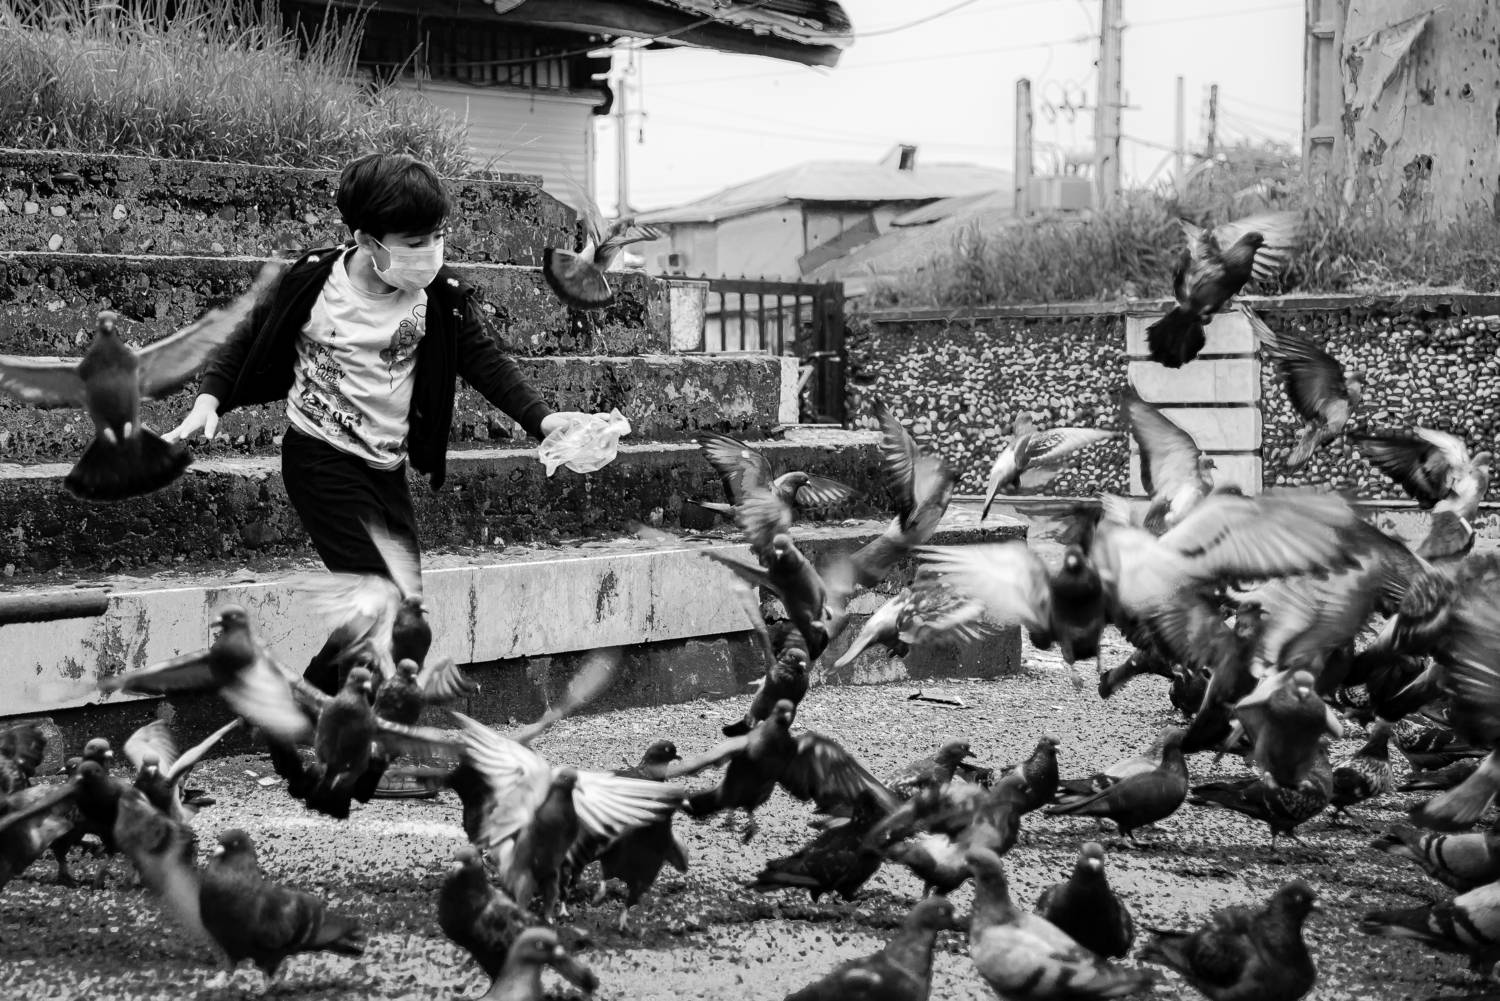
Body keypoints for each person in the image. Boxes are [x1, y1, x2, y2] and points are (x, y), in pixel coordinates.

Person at [164, 152, 589, 576]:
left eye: (437, 237)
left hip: (386, 467)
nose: (430, 252)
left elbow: (485, 361)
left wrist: (542, 419)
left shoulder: (440, 297)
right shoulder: (313, 281)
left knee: (405, 610)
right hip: (319, 454)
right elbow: (246, 335)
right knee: (380, 593)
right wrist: (209, 398)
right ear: (367, 240)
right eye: (414, 244)